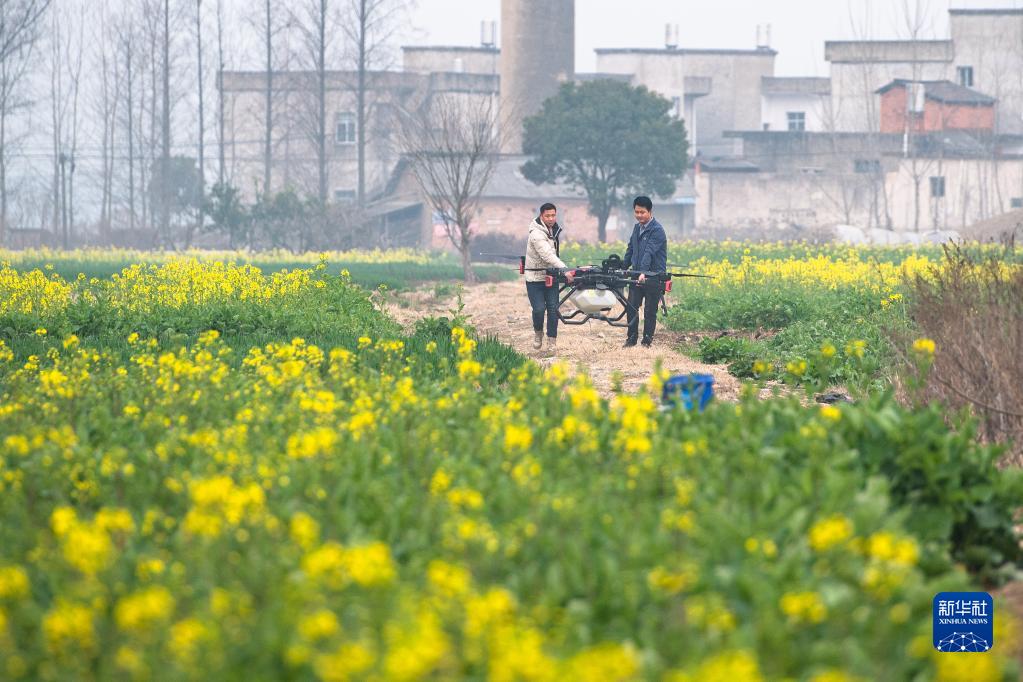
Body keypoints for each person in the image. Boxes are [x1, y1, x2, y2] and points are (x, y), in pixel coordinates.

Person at [524, 203, 574, 353]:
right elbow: (547, 254)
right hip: (535, 278)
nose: (551, 218)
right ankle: (538, 333)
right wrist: (564, 269)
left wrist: (560, 270)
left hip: (551, 276)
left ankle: (552, 341)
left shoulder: (553, 229)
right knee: (539, 309)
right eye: (548, 216)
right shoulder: (536, 234)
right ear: (541, 216)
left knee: (553, 309)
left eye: (553, 215)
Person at [622, 195, 667, 348]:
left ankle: (647, 341)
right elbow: (631, 249)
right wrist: (623, 267)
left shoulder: (657, 230)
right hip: (636, 274)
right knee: (632, 307)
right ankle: (631, 339)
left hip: (654, 277)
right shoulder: (636, 228)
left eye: (642, 212)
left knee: (649, 311)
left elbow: (649, 252)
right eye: (637, 212)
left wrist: (644, 272)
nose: (639, 215)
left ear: (650, 211)